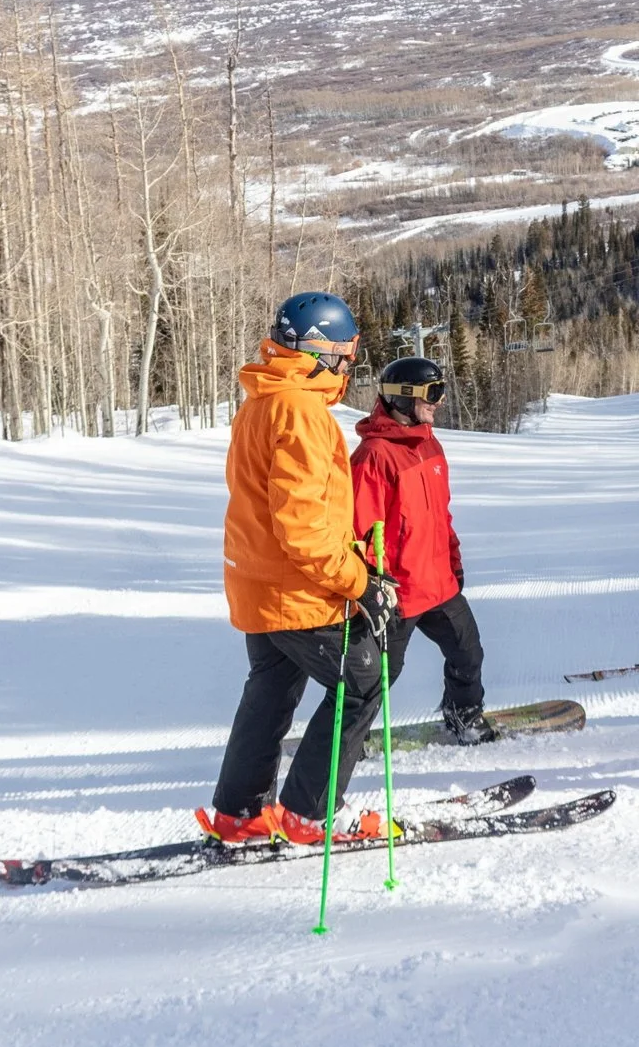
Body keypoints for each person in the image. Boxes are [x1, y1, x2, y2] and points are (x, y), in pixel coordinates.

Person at [198, 291, 403, 846]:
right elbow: (305, 528)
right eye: (345, 354)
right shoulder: (300, 411)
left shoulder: (262, 399)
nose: (348, 365)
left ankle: (238, 813)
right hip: (299, 590)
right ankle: (308, 814)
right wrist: (361, 582)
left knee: (271, 687)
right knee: (360, 684)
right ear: (319, 350)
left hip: (260, 583)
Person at [350, 355, 497, 745]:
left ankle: (463, 714)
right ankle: (350, 738)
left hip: (438, 584)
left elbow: (440, 516)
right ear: (402, 398)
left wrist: (453, 559)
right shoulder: (374, 456)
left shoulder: (431, 447)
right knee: (376, 675)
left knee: (468, 654)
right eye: (433, 393)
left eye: (441, 391)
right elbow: (360, 530)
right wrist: (373, 584)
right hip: (397, 592)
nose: (439, 401)